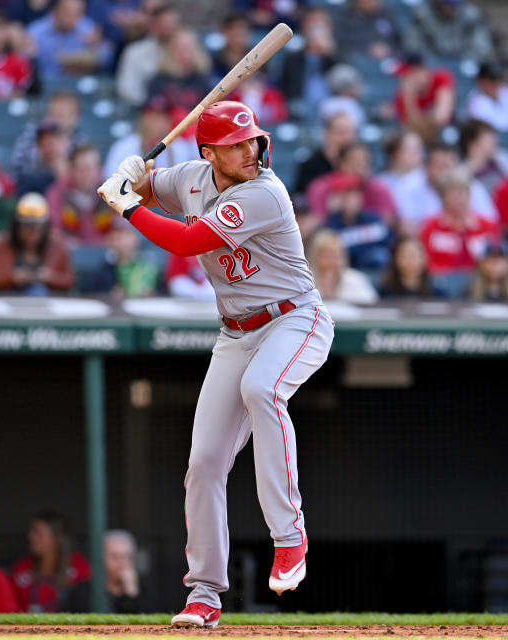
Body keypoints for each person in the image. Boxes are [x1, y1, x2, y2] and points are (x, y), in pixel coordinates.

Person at [98, 100, 335, 628]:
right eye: (235, 144)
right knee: (203, 464)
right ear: (210, 152)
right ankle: (204, 593)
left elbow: (186, 242)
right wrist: (129, 177)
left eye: (252, 140)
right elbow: (148, 184)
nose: (249, 150)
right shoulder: (191, 177)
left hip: (295, 319)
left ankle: (288, 536)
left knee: (262, 390)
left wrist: (127, 207)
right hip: (235, 332)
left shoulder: (264, 193)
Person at [418, 167, 498, 297]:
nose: (459, 198)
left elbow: (496, 257)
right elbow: (424, 260)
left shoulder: (487, 226)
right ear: (442, 197)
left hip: (480, 285)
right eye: (453, 193)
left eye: (463, 192)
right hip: (439, 286)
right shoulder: (430, 227)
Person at [0, 192, 73, 294]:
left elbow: (69, 280)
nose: (32, 232)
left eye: (37, 227)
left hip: (45, 304)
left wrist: (49, 277)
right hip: (6, 300)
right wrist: (11, 277)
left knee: (38, 290)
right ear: (17, 226)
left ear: (45, 227)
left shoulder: (56, 248)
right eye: (27, 226)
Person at [397, 144, 497, 234]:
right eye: (440, 167)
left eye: (448, 166)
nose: (445, 172)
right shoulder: (409, 186)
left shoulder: (472, 186)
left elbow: (491, 222)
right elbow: (407, 228)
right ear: (427, 168)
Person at [10, 511, 90, 612]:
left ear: (56, 537)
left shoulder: (79, 566)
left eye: (37, 532)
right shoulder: (22, 567)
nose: (30, 536)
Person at [27, 0, 112, 78]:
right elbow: (25, 60)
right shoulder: (36, 31)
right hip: (45, 83)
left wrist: (97, 45)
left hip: (78, 82)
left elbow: (107, 58)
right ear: (55, 10)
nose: (71, 18)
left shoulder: (87, 28)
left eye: (77, 14)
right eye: (67, 12)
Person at [47, 144, 110, 246]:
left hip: (106, 253)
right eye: (81, 169)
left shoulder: (112, 193)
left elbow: (121, 226)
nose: (87, 174)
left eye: (91, 168)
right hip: (68, 253)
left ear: (99, 170)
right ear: (71, 170)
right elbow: (54, 231)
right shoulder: (57, 192)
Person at [391, 52, 456, 145]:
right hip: (419, 141)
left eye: (408, 74)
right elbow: (411, 125)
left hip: (442, 135)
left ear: (421, 70)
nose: (406, 78)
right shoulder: (402, 95)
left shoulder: (440, 78)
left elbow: (442, 117)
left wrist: (422, 120)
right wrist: (409, 97)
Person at [404, 0, 495, 62]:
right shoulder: (422, 15)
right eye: (447, 4)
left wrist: (468, 60)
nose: (451, 8)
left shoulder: (470, 15)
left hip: (464, 62)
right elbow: (413, 44)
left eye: (453, 4)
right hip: (431, 64)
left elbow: (482, 47)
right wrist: (429, 60)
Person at [307, 228, 380, 304]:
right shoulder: (306, 281)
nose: (333, 259)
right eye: (327, 254)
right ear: (316, 255)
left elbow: (371, 308)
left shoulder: (355, 279)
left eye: (337, 254)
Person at [465, 62, 508, 132]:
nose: (495, 83)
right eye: (491, 79)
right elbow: (482, 132)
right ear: (480, 81)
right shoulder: (475, 100)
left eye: (498, 79)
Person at [104, 529, 148, 613]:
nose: (122, 563)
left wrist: (132, 593)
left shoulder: (145, 592)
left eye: (127, 557)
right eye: (115, 557)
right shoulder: (86, 591)